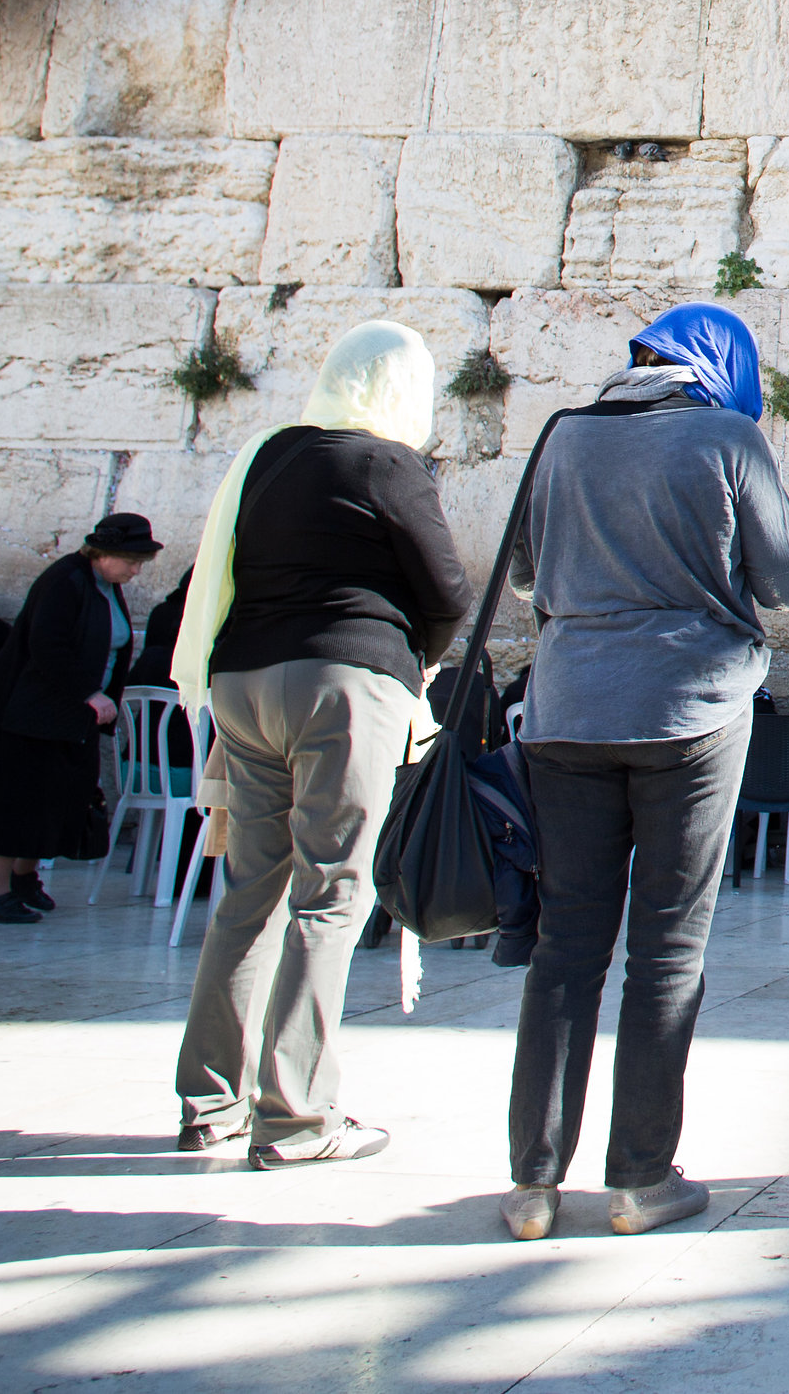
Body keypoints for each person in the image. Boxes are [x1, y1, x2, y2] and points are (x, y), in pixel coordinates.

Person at [502, 301, 789, 1240]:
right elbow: (787, 580)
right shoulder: (729, 438)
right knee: (667, 948)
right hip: (688, 709)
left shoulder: (561, 436)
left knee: (565, 949)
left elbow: (522, 571)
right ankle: (640, 1175)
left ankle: (532, 1183)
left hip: (566, 712)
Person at [172, 322, 470, 1168]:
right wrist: (415, 656)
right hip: (343, 682)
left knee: (250, 891)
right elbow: (446, 588)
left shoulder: (267, 456)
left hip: (244, 682)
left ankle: (210, 1103)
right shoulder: (386, 463)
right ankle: (298, 1113)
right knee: (332, 890)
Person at [0, 516, 157, 927]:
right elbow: (47, 645)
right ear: (103, 554)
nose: (135, 571)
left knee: (54, 799)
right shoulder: (64, 581)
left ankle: (24, 877)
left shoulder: (105, 586)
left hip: (70, 717)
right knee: (17, 802)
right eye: (131, 561)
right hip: (29, 714)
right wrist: (89, 692)